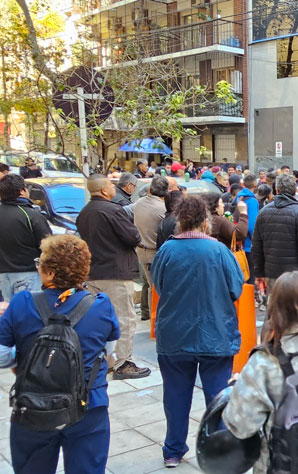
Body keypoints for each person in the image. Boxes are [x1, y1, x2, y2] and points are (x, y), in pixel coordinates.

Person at [0, 235, 120, 474]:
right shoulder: (100, 304)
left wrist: (24, 359)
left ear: (51, 273)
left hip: (34, 406)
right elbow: (109, 351)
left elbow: (2, 356)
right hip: (87, 405)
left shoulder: (22, 302)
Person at [150, 194, 245, 468]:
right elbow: (235, 288)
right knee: (217, 399)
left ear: (180, 221)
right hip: (215, 334)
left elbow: (159, 285)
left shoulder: (167, 251)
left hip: (174, 335)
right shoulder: (219, 252)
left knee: (175, 395)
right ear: (206, 222)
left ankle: (173, 450)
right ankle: (219, 452)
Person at [77, 174, 151, 380]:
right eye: (110, 184)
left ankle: (107, 360)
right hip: (115, 272)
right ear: (103, 190)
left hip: (93, 272)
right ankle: (123, 362)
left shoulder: (84, 213)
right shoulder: (112, 210)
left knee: (99, 318)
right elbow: (133, 236)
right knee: (124, 319)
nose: (113, 187)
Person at [251, 174, 298, 294]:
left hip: (273, 274)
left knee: (275, 309)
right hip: (296, 276)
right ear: (295, 191)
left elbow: (257, 247)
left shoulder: (263, 212)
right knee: (296, 310)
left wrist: (259, 273)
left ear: (277, 190)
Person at [0, 174, 51, 300]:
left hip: (3, 276)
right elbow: (48, 246)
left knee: (9, 314)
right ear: (22, 191)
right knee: (29, 313)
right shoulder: (30, 215)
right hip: (28, 273)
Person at [133, 175, 168, 322]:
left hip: (141, 249)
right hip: (154, 251)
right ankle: (155, 320)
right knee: (155, 287)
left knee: (148, 283)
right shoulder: (163, 209)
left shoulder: (138, 203)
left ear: (150, 189)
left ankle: (146, 313)